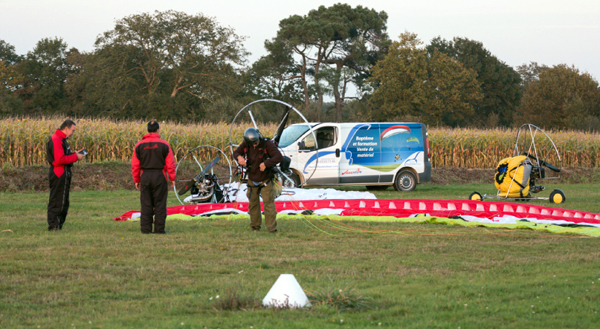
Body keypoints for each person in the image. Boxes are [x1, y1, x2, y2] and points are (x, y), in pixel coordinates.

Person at [232, 128, 283, 233]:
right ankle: (255, 227)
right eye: (252, 144)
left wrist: (266, 163)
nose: (254, 145)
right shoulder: (246, 144)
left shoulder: (267, 144)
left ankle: (272, 229)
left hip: (265, 179)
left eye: (255, 143)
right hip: (252, 178)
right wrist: (239, 158)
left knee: (268, 204)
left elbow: (279, 157)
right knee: (253, 204)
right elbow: (236, 152)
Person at [131, 121, 176, 234]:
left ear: (147, 130)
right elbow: (170, 164)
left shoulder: (139, 145)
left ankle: (145, 229)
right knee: (160, 203)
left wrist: (136, 180)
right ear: (157, 130)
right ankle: (159, 229)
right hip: (160, 176)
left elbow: (135, 165)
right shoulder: (164, 144)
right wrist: (172, 178)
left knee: (146, 203)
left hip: (145, 175)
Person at [46, 119, 86, 231]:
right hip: (59, 173)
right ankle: (54, 226)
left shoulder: (62, 140)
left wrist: (76, 154)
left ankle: (58, 225)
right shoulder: (56, 139)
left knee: (63, 201)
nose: (73, 133)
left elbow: (65, 155)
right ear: (66, 128)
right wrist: (76, 157)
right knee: (57, 200)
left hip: (64, 173)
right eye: (72, 131)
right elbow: (60, 159)